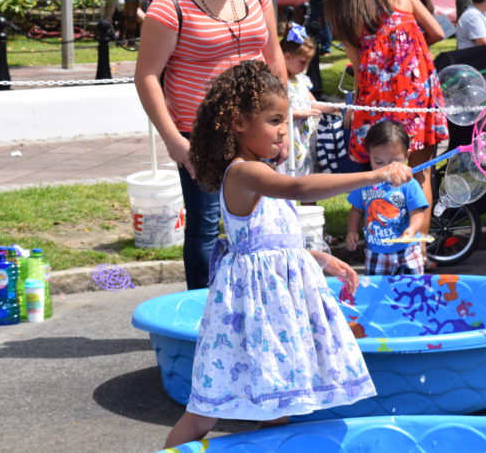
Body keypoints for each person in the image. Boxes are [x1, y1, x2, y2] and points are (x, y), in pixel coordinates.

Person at [163, 60, 409, 448]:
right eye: (274, 120)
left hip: (276, 312)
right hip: (253, 313)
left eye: (285, 120)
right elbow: (299, 188)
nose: (283, 131)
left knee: (279, 406)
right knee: (203, 413)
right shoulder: (244, 174)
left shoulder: (261, 172)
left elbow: (272, 243)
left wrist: (321, 258)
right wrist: (374, 175)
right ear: (239, 122)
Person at [135, 0, 287, 290]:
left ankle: (255, 302)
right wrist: (173, 140)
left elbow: (274, 56)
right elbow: (147, 77)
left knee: (260, 217)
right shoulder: (169, 6)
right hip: (199, 132)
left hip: (254, 127)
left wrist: (281, 124)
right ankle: (201, 314)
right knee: (204, 226)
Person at [325, 0, 447, 266]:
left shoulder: (347, 18)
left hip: (376, 101)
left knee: (380, 173)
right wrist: (410, 51)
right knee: (420, 174)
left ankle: (382, 248)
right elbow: (438, 31)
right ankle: (418, 250)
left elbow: (358, 69)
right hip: (416, 92)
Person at [344, 119, 428, 275]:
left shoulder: (408, 184)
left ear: (407, 155)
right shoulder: (365, 182)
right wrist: (351, 231)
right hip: (376, 252)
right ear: (369, 156)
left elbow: (417, 213)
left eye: (394, 161)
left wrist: (411, 230)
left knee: (414, 290)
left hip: (408, 251)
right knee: (378, 293)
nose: (387, 168)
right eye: (378, 162)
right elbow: (356, 209)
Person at [278, 23, 331, 178]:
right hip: (289, 135)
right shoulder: (279, 82)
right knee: (289, 173)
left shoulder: (302, 81)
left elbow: (315, 105)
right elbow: (276, 112)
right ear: (287, 57)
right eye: (302, 62)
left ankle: (310, 201)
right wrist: (299, 113)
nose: (305, 67)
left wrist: (337, 107)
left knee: (308, 173)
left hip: (303, 140)